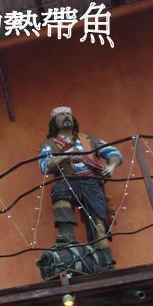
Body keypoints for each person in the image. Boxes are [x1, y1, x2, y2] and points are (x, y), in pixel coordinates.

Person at [38, 106, 123, 268]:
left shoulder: (88, 139)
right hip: (68, 180)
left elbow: (114, 153)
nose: (66, 117)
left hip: (91, 182)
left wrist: (111, 166)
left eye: (68, 114)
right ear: (54, 121)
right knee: (60, 192)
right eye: (61, 115)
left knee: (98, 220)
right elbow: (44, 166)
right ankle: (67, 239)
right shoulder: (50, 144)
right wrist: (66, 155)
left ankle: (105, 259)